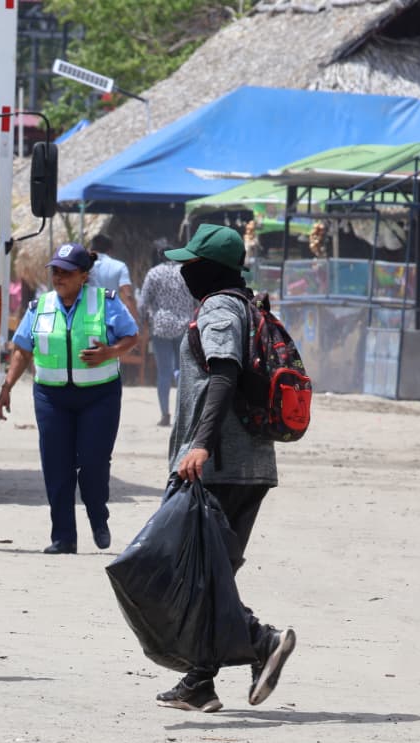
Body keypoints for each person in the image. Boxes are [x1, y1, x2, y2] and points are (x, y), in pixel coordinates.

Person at [159, 223, 297, 713]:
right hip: (251, 463)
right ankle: (199, 682)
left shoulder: (218, 307)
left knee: (194, 573)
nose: (183, 270)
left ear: (209, 269)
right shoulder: (248, 304)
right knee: (211, 574)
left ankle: (262, 641)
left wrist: (198, 445)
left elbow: (223, 375)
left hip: (216, 466)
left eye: (190, 263)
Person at [0, 242, 138, 554]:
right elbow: (23, 349)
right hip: (51, 397)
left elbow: (132, 336)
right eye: (56, 272)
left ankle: (98, 515)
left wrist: (109, 352)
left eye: (66, 272)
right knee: (56, 467)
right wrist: (6, 387)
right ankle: (63, 537)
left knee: (93, 463)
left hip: (99, 395)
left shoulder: (106, 302)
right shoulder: (40, 306)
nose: (59, 277)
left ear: (84, 276)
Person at [139, 255, 197, 427]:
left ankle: (165, 414)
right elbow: (197, 300)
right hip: (185, 326)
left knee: (164, 372)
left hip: (161, 326)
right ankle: (182, 415)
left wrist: (142, 324)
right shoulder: (187, 273)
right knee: (182, 371)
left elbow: (143, 303)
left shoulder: (153, 273)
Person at [88, 234, 140, 329]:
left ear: (91, 249)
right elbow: (128, 296)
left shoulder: (83, 267)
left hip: (89, 320)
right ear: (110, 251)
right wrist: (135, 325)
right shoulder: (119, 266)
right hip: (112, 319)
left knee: (92, 343)